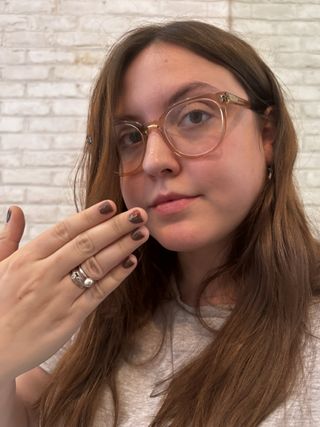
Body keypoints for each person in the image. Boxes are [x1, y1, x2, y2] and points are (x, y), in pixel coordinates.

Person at [0, 20, 319, 427]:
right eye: (130, 138)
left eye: (196, 116)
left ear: (268, 134)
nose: (153, 161)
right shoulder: (99, 312)